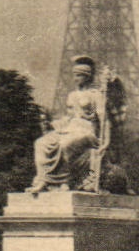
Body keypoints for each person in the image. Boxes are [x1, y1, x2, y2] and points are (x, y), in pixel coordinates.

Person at [29, 57, 110, 194]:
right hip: (69, 128)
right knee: (40, 143)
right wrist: (53, 124)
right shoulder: (71, 95)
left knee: (65, 145)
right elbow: (69, 117)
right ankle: (43, 179)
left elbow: (105, 120)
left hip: (86, 131)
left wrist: (106, 142)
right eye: (74, 75)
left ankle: (64, 182)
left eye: (78, 75)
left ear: (87, 76)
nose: (75, 78)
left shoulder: (95, 95)